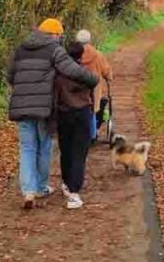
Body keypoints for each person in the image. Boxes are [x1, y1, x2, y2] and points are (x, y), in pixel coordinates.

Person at [7, 18, 97, 209]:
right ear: (54, 34)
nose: (59, 39)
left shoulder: (21, 49)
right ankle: (40, 186)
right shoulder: (54, 49)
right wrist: (92, 79)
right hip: (44, 107)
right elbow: (71, 70)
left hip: (21, 106)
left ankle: (29, 191)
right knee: (44, 145)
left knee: (27, 148)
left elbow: (10, 76)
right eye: (59, 35)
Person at [54, 40, 96, 209]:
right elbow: (93, 84)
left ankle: (66, 182)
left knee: (66, 150)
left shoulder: (59, 74)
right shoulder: (84, 73)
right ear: (81, 55)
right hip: (82, 113)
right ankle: (74, 192)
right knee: (79, 152)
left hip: (64, 113)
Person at [75, 29, 113, 143]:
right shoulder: (97, 54)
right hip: (95, 89)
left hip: (78, 88)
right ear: (89, 40)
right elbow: (107, 71)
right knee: (93, 110)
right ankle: (92, 135)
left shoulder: (74, 54)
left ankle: (81, 133)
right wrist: (108, 77)